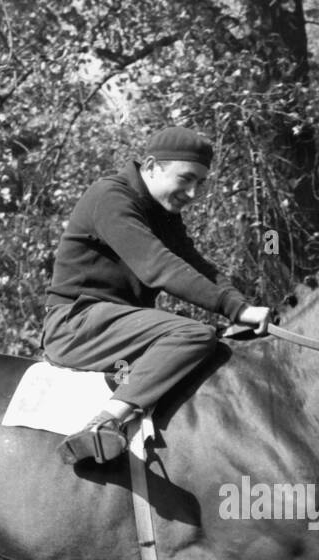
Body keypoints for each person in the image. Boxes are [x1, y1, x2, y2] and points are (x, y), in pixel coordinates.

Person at [41, 125, 271, 465]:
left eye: (200, 184)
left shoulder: (163, 214)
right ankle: (103, 424)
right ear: (150, 166)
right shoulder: (111, 197)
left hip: (114, 328)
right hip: (74, 326)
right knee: (191, 334)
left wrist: (245, 306)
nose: (193, 193)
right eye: (186, 178)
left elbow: (198, 266)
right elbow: (158, 266)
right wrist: (234, 309)